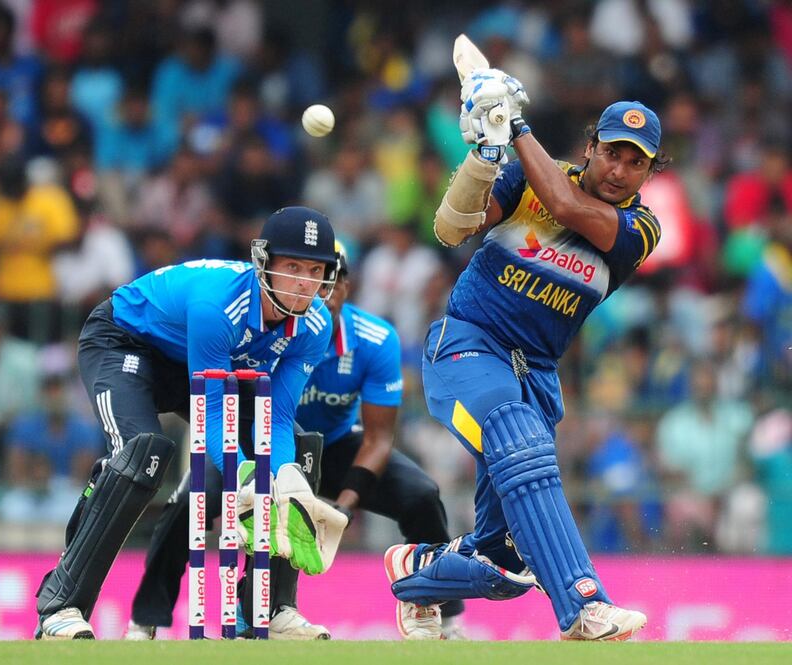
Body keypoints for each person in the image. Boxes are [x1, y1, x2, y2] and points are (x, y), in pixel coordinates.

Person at [384, 70, 666, 641]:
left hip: (534, 375)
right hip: (465, 346)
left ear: (648, 171)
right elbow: (449, 228)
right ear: (590, 146)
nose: (619, 170)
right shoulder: (526, 177)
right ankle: (585, 607)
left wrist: (514, 126)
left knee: (505, 557)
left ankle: (416, 573)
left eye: (635, 162)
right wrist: (484, 156)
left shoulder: (641, 227)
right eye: (611, 152)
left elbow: (564, 205)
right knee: (518, 434)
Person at [34, 206, 348, 640]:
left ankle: (270, 606)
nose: (303, 282)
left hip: (198, 366)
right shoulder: (218, 306)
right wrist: (246, 484)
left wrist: (283, 478)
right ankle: (60, 607)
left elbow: (275, 415)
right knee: (142, 453)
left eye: (315, 270)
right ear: (264, 264)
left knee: (299, 452)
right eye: (291, 266)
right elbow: (213, 413)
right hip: (127, 342)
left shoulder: (314, 326)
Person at [125, 242, 465, 640]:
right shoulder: (264, 328)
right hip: (257, 442)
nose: (317, 291)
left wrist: (344, 505)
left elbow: (379, 437)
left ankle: (445, 618)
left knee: (422, 494)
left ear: (346, 286)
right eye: (304, 277)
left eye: (328, 279)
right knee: (189, 503)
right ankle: (146, 617)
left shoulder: (374, 340)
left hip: (335, 447)